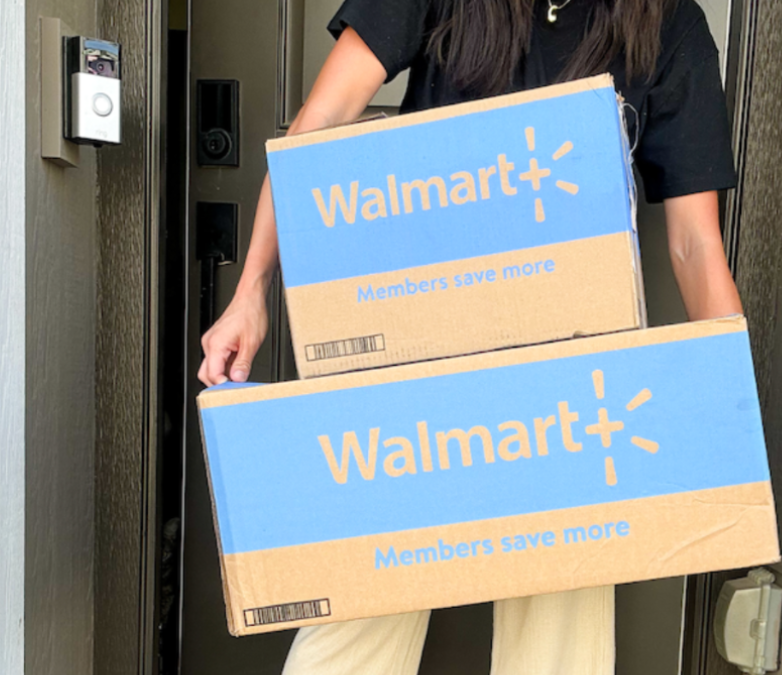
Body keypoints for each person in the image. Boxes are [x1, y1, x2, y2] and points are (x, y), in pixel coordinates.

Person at [198, 0, 742, 673]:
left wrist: (726, 412)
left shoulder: (667, 22)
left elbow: (694, 242)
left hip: (574, 387)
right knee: (361, 611)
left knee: (559, 640)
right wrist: (251, 292)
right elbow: (320, 126)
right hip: (415, 358)